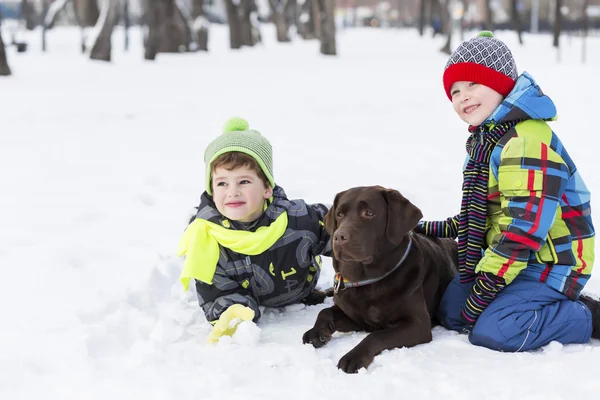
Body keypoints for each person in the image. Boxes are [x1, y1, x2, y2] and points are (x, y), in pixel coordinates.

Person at [417, 31, 600, 352]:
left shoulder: (526, 139)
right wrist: (427, 229)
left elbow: (525, 227)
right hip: (512, 257)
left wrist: (488, 284)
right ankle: (520, 298)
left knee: (496, 331)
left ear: (501, 83)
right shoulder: (487, 141)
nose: (463, 97)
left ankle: (585, 315)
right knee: (452, 313)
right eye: (455, 91)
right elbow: (483, 213)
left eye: (473, 83)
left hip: (551, 262)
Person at [177, 117, 331, 343]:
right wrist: (235, 314)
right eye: (222, 183)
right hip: (246, 296)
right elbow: (216, 292)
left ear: (267, 188)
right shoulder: (207, 240)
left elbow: (339, 230)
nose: (233, 192)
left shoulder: (297, 219)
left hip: (301, 288)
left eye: (244, 182)